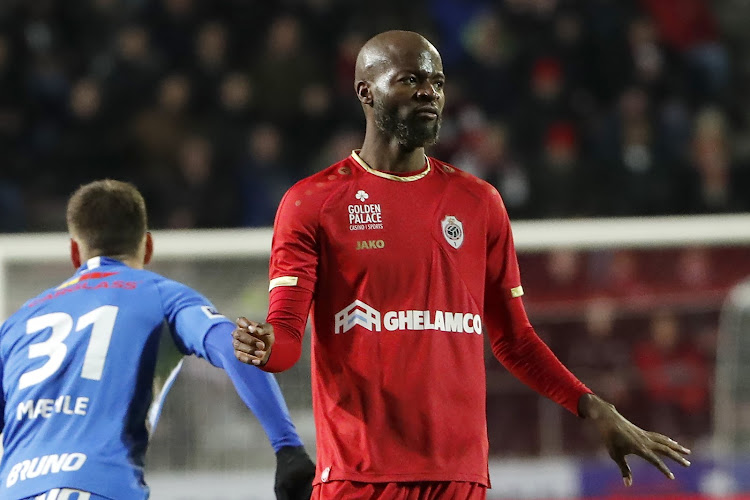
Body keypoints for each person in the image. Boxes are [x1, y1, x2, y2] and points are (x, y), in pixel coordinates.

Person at [231, 31, 691, 499]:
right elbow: (286, 340)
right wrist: (266, 346)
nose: (429, 92)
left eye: (437, 81)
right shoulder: (313, 202)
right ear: (365, 91)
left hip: (461, 479)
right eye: (410, 79)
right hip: (360, 478)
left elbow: (514, 339)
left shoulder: (478, 203)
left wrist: (594, 408)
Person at [0, 180, 315, 500]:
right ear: (148, 247)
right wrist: (287, 447)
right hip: (98, 488)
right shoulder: (164, 297)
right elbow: (235, 349)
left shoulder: (17, 323)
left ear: (73, 252)